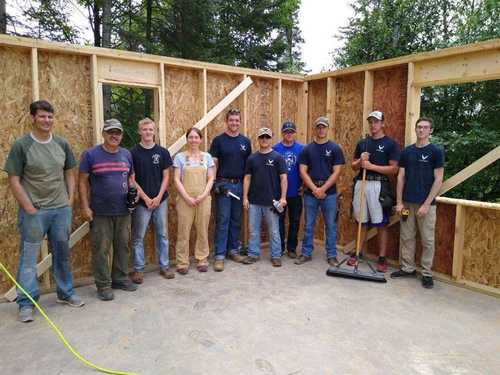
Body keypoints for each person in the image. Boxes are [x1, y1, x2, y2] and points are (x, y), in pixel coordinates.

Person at [4, 100, 84, 322]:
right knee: (29, 257)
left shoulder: (61, 144)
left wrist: (70, 199)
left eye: (50, 116)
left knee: (62, 254)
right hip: (35, 212)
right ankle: (26, 303)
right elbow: (14, 179)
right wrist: (28, 206)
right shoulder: (22, 145)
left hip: (60, 210)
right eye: (42, 116)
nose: (46, 120)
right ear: (33, 118)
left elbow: (69, 171)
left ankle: (65, 293)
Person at [79, 118, 138, 301]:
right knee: (101, 249)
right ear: (103, 133)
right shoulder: (91, 155)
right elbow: (82, 182)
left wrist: (133, 195)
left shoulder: (126, 154)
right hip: (100, 212)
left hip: (123, 210)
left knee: (123, 246)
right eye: (111, 132)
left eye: (118, 132)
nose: (114, 135)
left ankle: (119, 278)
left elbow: (131, 178)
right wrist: (84, 206)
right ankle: (103, 285)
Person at [391, 117, 444, 289]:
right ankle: (408, 268)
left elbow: (438, 179)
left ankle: (427, 273)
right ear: (415, 130)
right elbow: (400, 177)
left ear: (431, 131)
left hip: (426, 206)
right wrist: (399, 202)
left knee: (427, 240)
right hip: (407, 204)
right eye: (419, 127)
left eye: (425, 127)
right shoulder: (407, 152)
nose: (421, 130)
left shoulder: (436, 152)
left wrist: (427, 204)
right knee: (407, 236)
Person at [348, 111, 400, 272]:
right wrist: (360, 161)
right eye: (370, 121)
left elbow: (394, 169)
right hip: (361, 184)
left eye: (376, 121)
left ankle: (382, 258)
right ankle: (357, 253)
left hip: (379, 186)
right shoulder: (363, 143)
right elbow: (353, 166)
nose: (373, 124)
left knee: (381, 223)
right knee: (361, 221)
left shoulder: (390, 144)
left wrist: (371, 166)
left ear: (383, 123)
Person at [295, 116, 345, 266]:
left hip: (329, 193)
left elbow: (337, 172)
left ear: (327, 128)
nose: (321, 129)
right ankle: (305, 253)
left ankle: (331, 255)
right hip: (311, 192)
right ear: (315, 129)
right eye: (319, 127)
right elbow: (302, 171)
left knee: (330, 225)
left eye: (324, 127)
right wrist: (314, 189)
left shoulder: (335, 148)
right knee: (309, 224)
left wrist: (322, 189)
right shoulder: (307, 149)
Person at [130, 118, 174, 284]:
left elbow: (166, 176)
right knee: (138, 236)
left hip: (160, 200)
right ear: (139, 132)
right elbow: (131, 179)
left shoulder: (162, 152)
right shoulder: (132, 153)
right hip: (142, 202)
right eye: (144, 129)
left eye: (150, 129)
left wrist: (157, 197)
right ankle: (138, 270)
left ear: (154, 131)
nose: (147, 132)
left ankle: (164, 266)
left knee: (163, 234)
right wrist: (146, 198)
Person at [209, 109, 252, 271]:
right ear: (226, 121)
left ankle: (233, 250)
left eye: (237, 120)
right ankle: (219, 255)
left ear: (240, 122)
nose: (234, 123)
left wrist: (248, 189)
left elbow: (249, 168)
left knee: (236, 220)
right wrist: (214, 184)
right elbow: (213, 164)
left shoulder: (245, 142)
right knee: (223, 220)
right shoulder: (218, 141)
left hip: (239, 185)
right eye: (231, 120)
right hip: (224, 185)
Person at [242, 127, 287, 267]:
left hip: (272, 202)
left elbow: (283, 179)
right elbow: (247, 179)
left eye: (267, 137)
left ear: (270, 139)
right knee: (253, 230)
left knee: (274, 231)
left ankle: (276, 255)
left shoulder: (278, 158)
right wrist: (245, 197)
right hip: (254, 202)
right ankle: (253, 254)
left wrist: (283, 198)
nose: (264, 140)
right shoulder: (252, 158)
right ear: (258, 139)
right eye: (262, 137)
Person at [173, 127, 215, 274]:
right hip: (185, 199)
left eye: (196, 137)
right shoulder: (179, 157)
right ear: (187, 139)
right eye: (190, 137)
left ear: (200, 140)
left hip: (203, 198)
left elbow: (211, 178)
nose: (193, 140)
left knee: (202, 229)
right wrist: (186, 197)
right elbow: (176, 179)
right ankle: (182, 262)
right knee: (183, 231)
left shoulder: (207, 157)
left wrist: (204, 195)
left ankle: (202, 259)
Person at [273, 121, 304, 258]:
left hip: (296, 193)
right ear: (282, 133)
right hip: (279, 193)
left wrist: (305, 185)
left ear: (295, 133)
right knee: (278, 221)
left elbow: (307, 169)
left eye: (291, 132)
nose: (289, 134)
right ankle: (279, 247)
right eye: (286, 132)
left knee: (295, 220)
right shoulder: (275, 149)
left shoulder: (302, 149)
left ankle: (291, 248)